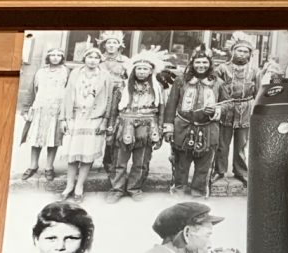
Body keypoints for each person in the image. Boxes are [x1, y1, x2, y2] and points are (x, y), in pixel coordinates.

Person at [105, 49, 167, 203]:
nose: (141, 71)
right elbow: (113, 108)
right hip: (125, 124)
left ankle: (135, 188)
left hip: (147, 126)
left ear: (151, 71)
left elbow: (161, 110)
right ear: (133, 69)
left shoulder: (158, 88)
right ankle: (116, 189)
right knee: (119, 160)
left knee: (141, 161)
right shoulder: (122, 86)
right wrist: (111, 127)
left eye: (145, 69)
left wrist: (160, 130)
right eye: (138, 68)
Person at [163, 47, 223, 198]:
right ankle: (179, 189)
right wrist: (168, 127)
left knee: (204, 163)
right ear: (192, 63)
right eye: (198, 62)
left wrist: (216, 111)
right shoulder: (180, 81)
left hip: (208, 128)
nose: (201, 65)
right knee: (181, 162)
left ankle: (198, 191)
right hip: (183, 126)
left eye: (204, 62)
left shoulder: (218, 83)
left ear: (210, 64)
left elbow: (226, 104)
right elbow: (171, 104)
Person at [59, 46, 110, 201]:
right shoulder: (75, 73)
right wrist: (64, 118)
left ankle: (79, 186)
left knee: (87, 154)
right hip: (75, 116)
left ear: (100, 60)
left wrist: (104, 120)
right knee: (73, 154)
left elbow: (108, 100)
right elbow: (67, 95)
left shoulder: (105, 75)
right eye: (90, 57)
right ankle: (69, 185)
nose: (93, 60)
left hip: (94, 118)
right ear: (84, 58)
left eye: (96, 57)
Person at [213, 36, 259, 186]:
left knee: (242, 144)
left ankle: (241, 172)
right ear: (232, 51)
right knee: (222, 143)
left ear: (250, 54)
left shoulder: (254, 71)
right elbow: (215, 90)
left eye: (245, 51)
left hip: (245, 108)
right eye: (239, 50)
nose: (241, 54)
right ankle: (219, 171)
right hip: (226, 108)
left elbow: (258, 92)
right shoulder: (221, 69)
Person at [20, 46, 70, 182]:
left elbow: (70, 93)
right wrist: (25, 109)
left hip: (57, 110)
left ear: (62, 58)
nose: (55, 57)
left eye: (58, 55)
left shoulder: (66, 72)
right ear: (48, 57)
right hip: (40, 109)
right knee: (36, 139)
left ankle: (49, 167)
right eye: (52, 55)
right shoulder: (40, 72)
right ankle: (33, 165)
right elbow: (31, 91)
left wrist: (67, 113)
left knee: (53, 140)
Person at [97, 31, 129, 173]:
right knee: (96, 126)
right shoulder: (97, 59)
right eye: (108, 43)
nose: (111, 46)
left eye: (114, 43)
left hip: (117, 97)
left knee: (113, 128)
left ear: (119, 45)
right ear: (104, 44)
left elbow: (131, 79)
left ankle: (109, 160)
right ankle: (87, 158)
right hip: (99, 96)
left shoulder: (125, 61)